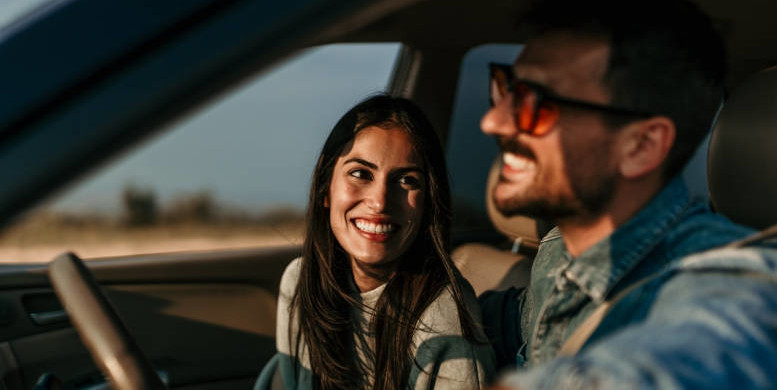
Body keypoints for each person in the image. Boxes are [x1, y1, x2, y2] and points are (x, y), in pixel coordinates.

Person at [477, 0, 777, 388]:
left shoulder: (735, 282)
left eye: (536, 102)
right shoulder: (560, 251)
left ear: (641, 147)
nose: (493, 121)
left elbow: (694, 353)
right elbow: (515, 322)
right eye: (507, 89)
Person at [255, 94, 495, 390]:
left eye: (406, 180)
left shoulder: (443, 317)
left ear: (428, 203)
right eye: (360, 174)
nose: (380, 202)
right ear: (326, 189)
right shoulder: (301, 282)